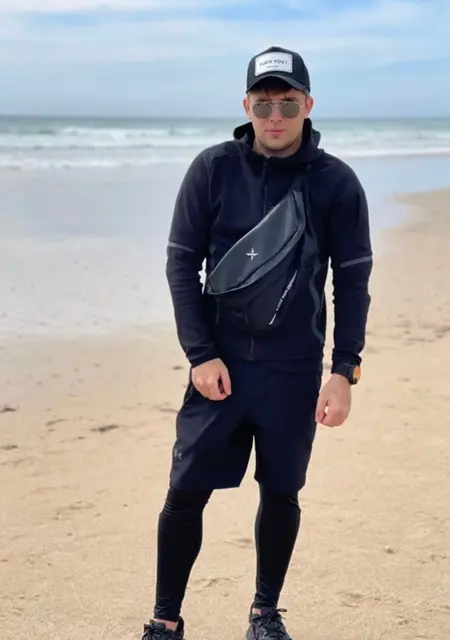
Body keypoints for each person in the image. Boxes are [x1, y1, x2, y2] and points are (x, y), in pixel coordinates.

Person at [141, 45, 373, 640]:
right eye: (264, 103)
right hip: (219, 367)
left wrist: (343, 370)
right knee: (185, 492)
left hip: (293, 370)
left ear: (308, 105)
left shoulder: (336, 183)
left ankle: (264, 615)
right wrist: (200, 355)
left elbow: (352, 280)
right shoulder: (213, 169)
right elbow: (180, 265)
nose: (275, 116)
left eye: (287, 104)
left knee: (282, 493)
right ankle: (165, 621)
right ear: (246, 105)